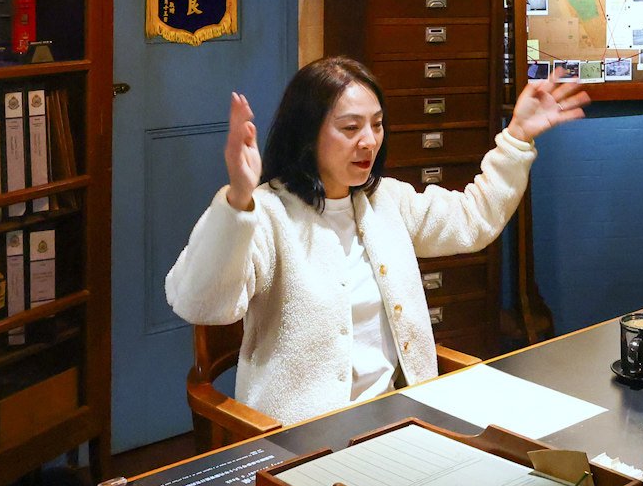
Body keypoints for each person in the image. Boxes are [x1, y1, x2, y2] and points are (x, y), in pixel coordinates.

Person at [165, 56, 589, 425]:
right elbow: (200, 302)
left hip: (403, 418)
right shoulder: (269, 212)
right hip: (305, 437)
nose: (368, 141)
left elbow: (471, 220)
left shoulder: (385, 201)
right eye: (350, 127)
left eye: (377, 124)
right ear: (308, 134)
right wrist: (238, 199)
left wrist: (516, 137)